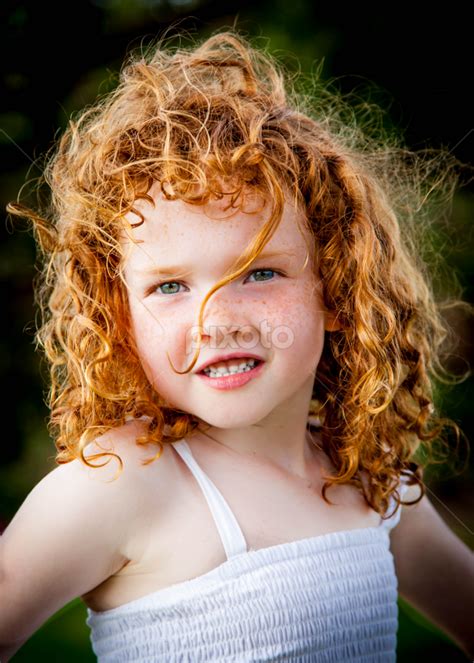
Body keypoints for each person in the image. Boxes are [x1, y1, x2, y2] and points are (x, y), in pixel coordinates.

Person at [1, 28, 473, 662]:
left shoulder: (371, 476)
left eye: (259, 273)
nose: (215, 319)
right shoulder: (124, 481)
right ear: (121, 317)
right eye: (169, 285)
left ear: (335, 292)